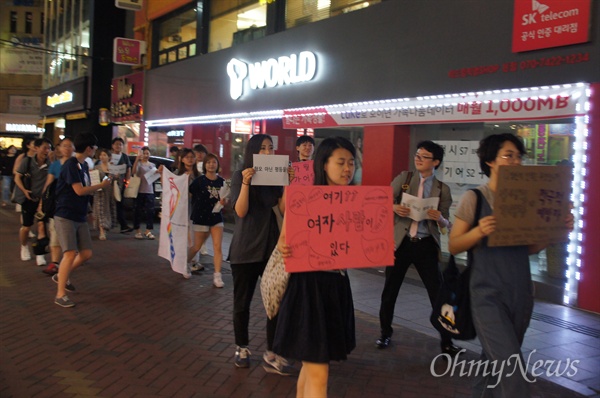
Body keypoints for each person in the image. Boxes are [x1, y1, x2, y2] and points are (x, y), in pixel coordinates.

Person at [448, 133, 574, 396]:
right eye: (508, 155)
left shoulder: (525, 200)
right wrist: (479, 231)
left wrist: (555, 231)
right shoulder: (475, 198)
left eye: (518, 156)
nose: (515, 161)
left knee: (493, 364)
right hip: (486, 296)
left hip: (521, 294)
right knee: (512, 370)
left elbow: (528, 249)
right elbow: (454, 244)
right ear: (490, 161)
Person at [274, 136, 357, 398]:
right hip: (308, 288)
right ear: (323, 164)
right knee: (319, 373)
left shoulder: (356, 201)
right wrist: (286, 248)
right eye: (341, 162)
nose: (347, 169)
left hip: (336, 286)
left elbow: (356, 246)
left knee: (312, 368)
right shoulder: (305, 198)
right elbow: (283, 241)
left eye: (352, 163)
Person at [376, 140, 460, 357]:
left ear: (436, 162)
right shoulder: (405, 178)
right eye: (417, 154)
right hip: (401, 244)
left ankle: (447, 341)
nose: (418, 158)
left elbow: (447, 224)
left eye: (424, 156)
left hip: (426, 247)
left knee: (437, 294)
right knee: (390, 291)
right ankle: (385, 332)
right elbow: (381, 200)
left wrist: (440, 218)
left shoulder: (443, 189)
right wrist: (395, 207)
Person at [228, 134, 294, 373]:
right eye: (262, 148)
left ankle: (272, 352)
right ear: (253, 152)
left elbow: (285, 210)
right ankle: (242, 347)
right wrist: (246, 183)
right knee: (241, 303)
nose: (268, 152)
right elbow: (241, 211)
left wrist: (287, 183)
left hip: (270, 250)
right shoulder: (240, 175)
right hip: (245, 250)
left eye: (271, 148)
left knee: (274, 303)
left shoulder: (274, 176)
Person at [53, 133, 112, 308]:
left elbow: (84, 191)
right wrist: (101, 186)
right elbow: (79, 190)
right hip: (65, 215)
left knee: (86, 253)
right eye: (94, 148)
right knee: (70, 253)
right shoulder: (71, 164)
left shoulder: (84, 165)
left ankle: (61, 275)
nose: (95, 151)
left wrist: (89, 210)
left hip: (79, 215)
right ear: (88, 148)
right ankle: (60, 294)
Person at [188, 153, 226, 288]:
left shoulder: (221, 182)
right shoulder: (199, 181)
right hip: (200, 217)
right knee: (196, 247)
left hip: (216, 217)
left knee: (217, 247)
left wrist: (224, 202)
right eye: (208, 162)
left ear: (217, 165)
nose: (211, 165)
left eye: (214, 162)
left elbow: (225, 198)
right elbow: (189, 194)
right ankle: (185, 264)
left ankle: (217, 275)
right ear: (204, 165)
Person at [13, 138, 52, 265]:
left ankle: (40, 254)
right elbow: (17, 177)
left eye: (49, 148)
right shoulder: (27, 161)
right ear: (37, 148)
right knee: (26, 227)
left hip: (42, 200)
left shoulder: (50, 164)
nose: (47, 151)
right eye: (45, 147)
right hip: (28, 199)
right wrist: (24, 190)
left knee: (41, 226)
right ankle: (24, 246)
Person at [41, 137, 75, 274]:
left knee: (72, 233)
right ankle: (54, 263)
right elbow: (48, 185)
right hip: (57, 205)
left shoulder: (78, 164)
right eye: (64, 146)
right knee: (54, 232)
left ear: (74, 148)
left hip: (73, 205)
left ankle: (71, 258)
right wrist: (42, 202)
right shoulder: (55, 165)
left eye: (69, 146)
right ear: (59, 148)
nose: (66, 148)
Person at [132, 146, 158, 240]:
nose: (146, 155)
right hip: (139, 190)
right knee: (137, 211)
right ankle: (138, 231)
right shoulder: (139, 164)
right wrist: (136, 160)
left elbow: (155, 176)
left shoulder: (153, 165)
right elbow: (134, 172)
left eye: (147, 153)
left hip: (150, 191)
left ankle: (148, 230)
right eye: (144, 153)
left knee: (150, 211)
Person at [92, 148, 117, 241]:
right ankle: (102, 230)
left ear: (109, 157)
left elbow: (116, 180)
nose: (102, 157)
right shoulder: (97, 167)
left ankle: (106, 227)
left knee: (108, 209)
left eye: (104, 155)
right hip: (99, 192)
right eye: (101, 155)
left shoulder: (112, 167)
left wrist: (116, 176)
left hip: (109, 192)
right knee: (100, 209)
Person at [110, 137, 133, 233]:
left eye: (120, 144)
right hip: (110, 182)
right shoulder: (109, 156)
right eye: (116, 144)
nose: (118, 146)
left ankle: (123, 225)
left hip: (121, 183)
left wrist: (127, 181)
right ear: (112, 146)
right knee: (110, 203)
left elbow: (128, 169)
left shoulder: (124, 156)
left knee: (120, 203)